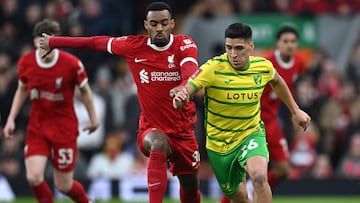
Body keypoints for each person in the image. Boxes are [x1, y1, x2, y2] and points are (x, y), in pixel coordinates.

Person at [39, 2, 201, 203]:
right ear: (146, 25)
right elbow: (94, 42)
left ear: (172, 24)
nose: (159, 28)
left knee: (190, 185)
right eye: (154, 23)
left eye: (164, 23)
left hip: (183, 130)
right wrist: (55, 41)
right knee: (157, 143)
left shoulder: (184, 44)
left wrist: (185, 87)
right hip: (151, 127)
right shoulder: (133, 46)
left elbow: (190, 68)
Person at [173, 22, 311, 203]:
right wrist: (181, 97)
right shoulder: (213, 68)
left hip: (251, 133)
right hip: (219, 144)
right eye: (228, 48)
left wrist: (295, 110)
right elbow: (189, 88)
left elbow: (277, 81)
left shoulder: (263, 66)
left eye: (239, 48)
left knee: (259, 176)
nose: (233, 54)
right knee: (239, 197)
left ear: (251, 47)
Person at [2, 19, 99, 203]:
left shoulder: (72, 64)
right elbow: (22, 89)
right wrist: (11, 119)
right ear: (34, 42)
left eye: (51, 41)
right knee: (33, 177)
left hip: (64, 128)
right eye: (42, 41)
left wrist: (94, 119)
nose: (46, 46)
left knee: (64, 185)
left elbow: (86, 91)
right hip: (38, 127)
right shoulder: (26, 62)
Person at [220, 25, 306, 203]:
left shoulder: (298, 63)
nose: (289, 45)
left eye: (293, 41)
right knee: (244, 172)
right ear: (277, 44)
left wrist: (294, 111)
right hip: (251, 123)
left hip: (272, 122)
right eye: (285, 41)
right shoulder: (265, 64)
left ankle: (255, 192)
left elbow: (287, 87)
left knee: (283, 170)